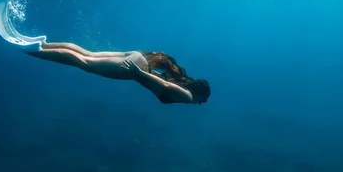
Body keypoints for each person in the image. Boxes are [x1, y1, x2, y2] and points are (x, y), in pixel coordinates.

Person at [28, 42, 211, 104]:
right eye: (203, 100)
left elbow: (162, 79)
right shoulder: (187, 96)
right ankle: (35, 51)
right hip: (135, 68)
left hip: (139, 57)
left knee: (87, 54)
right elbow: (163, 85)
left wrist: (140, 69)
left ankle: (42, 45)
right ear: (199, 94)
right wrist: (138, 73)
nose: (200, 104)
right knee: (85, 62)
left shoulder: (182, 79)